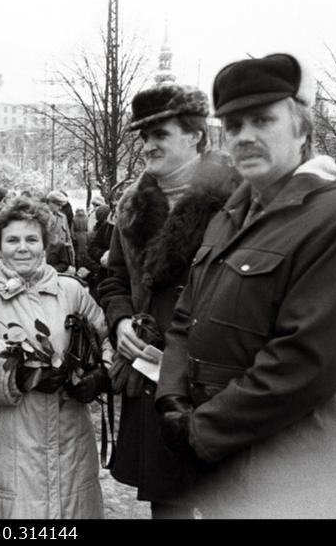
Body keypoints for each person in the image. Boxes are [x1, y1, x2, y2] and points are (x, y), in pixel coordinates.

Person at [155, 53, 336, 518]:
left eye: (263, 119)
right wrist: (172, 402)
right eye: (233, 123)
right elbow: (187, 317)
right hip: (220, 465)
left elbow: (303, 363)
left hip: (289, 473)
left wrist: (201, 430)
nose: (244, 136)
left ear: (302, 128)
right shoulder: (233, 213)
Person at [98, 84, 239, 519]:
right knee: (169, 509)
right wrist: (121, 321)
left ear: (195, 135)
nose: (147, 145)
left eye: (159, 134)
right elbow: (114, 279)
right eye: (143, 136)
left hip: (221, 384)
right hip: (155, 379)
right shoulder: (131, 205)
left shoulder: (240, 200)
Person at [0, 196, 113, 518]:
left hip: (72, 444)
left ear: (45, 244)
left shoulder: (71, 291)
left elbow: (106, 338)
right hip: (11, 444)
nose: (22, 248)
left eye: (31, 239)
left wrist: (102, 373)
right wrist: (15, 377)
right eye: (12, 240)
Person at [45, 190, 76, 274]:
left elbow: (68, 239)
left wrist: (72, 263)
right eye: (58, 204)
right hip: (47, 260)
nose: (60, 208)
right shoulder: (41, 217)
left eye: (61, 205)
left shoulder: (63, 217)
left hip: (61, 262)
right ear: (49, 202)